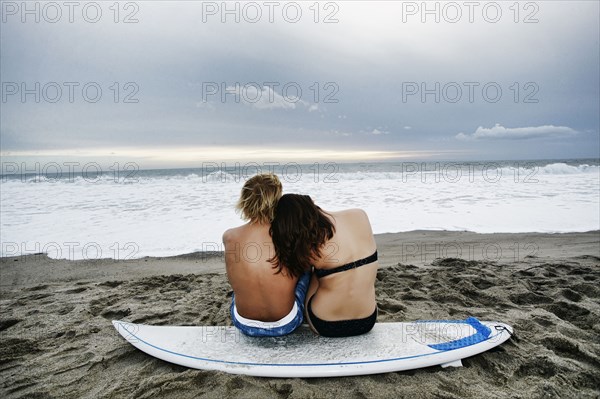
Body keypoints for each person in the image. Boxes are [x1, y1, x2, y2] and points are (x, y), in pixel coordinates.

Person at [270, 194, 378, 337]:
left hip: (326, 323)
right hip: (368, 319)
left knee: (308, 270)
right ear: (312, 203)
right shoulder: (360, 215)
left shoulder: (311, 248)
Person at [223, 174, 310, 337]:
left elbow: (232, 278)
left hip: (243, 323)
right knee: (307, 270)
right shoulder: (288, 235)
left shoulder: (229, 236)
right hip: (286, 323)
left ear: (244, 202)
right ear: (277, 203)